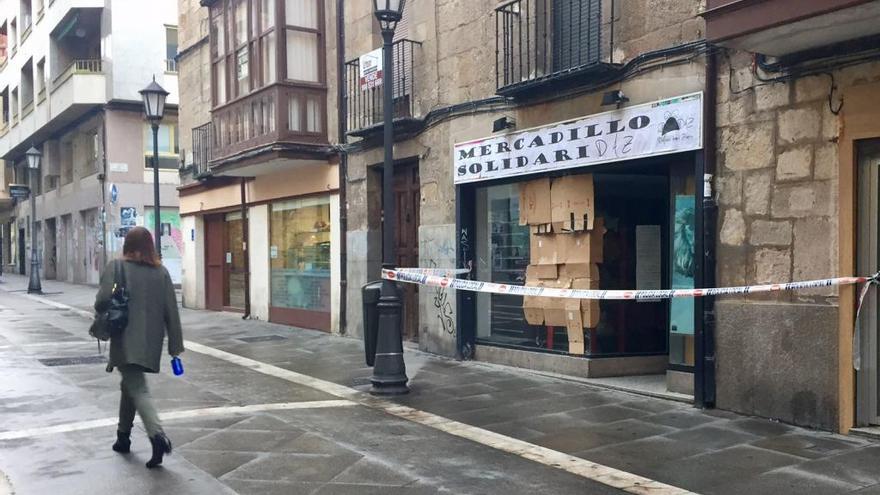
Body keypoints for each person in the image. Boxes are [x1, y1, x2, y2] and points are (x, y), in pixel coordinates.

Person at [94, 226, 184, 469]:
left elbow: (102, 300)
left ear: (128, 246)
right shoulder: (162, 272)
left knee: (138, 388)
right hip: (152, 341)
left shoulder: (117, 267)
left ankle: (158, 437)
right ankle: (123, 437)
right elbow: (171, 312)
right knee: (129, 385)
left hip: (125, 338)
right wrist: (175, 347)